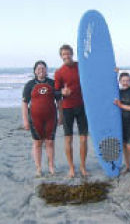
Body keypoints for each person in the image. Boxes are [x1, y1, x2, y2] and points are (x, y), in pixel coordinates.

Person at [54, 44, 88, 178]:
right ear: (61, 56)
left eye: (68, 53)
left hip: (83, 107)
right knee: (68, 139)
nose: (66, 56)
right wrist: (62, 92)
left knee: (84, 139)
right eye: (64, 54)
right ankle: (71, 168)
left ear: (72, 54)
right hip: (67, 108)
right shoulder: (59, 72)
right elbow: (56, 92)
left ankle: (83, 167)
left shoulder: (81, 66)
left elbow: (94, 75)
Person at [22, 61, 60, 177]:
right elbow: (24, 103)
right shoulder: (29, 85)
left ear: (46, 70)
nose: (41, 71)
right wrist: (25, 120)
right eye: (38, 69)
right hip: (35, 118)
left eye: (43, 68)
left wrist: (61, 116)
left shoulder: (52, 83)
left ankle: (51, 167)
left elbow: (59, 101)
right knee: (37, 143)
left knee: (50, 142)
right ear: (35, 71)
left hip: (51, 117)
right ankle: (38, 168)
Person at [114, 73, 130, 175]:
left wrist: (121, 105)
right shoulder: (118, 92)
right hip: (121, 123)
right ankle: (128, 166)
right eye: (123, 81)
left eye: (127, 80)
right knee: (124, 146)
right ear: (120, 81)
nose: (125, 83)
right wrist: (114, 73)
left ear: (129, 81)